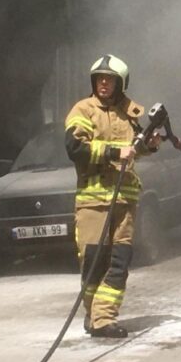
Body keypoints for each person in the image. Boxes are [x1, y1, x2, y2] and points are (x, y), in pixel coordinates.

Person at [64, 55, 161, 338]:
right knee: (94, 265)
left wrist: (149, 146)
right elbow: (75, 148)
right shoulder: (83, 109)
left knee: (119, 264)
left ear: (121, 83)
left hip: (124, 203)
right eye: (99, 79)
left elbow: (133, 149)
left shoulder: (128, 114)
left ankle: (103, 318)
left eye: (110, 79)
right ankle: (94, 315)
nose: (104, 83)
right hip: (93, 204)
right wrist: (113, 152)